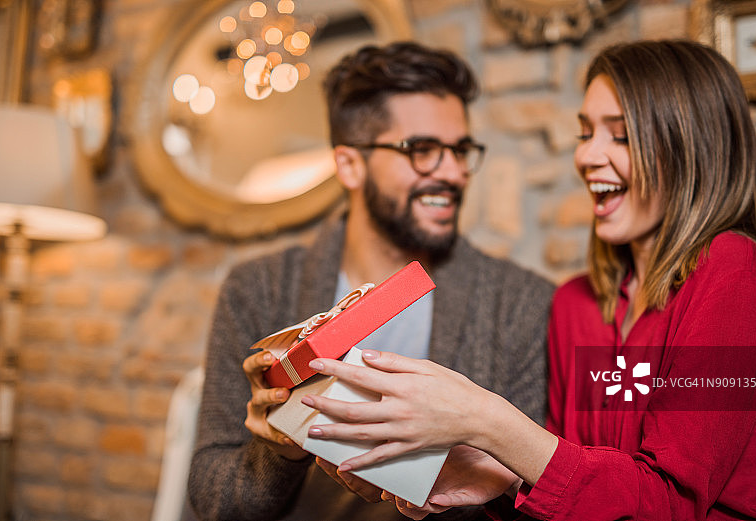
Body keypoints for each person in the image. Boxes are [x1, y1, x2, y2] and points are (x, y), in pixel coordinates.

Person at [299, 39, 756, 520]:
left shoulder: (732, 271)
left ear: (692, 149)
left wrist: (487, 420)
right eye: (586, 133)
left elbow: (671, 504)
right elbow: (587, 487)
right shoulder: (576, 306)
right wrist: (504, 479)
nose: (586, 156)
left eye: (619, 135)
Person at [187, 41, 555, 521]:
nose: (453, 173)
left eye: (461, 150)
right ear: (350, 165)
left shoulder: (522, 302)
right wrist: (280, 447)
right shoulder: (259, 288)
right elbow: (215, 500)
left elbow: (537, 497)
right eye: (421, 150)